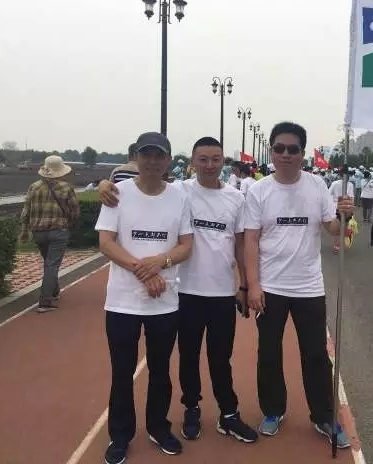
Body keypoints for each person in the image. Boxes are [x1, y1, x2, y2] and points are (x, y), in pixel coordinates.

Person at [98, 136, 258, 446]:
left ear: (223, 162)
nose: (209, 165)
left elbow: (238, 244)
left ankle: (227, 414)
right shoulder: (181, 191)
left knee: (219, 358)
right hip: (184, 292)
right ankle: (189, 409)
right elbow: (129, 202)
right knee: (185, 358)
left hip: (220, 292)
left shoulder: (233, 198)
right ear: (191, 162)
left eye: (215, 159)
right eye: (203, 159)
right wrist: (106, 184)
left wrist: (244, 284)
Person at [244, 121, 354, 449]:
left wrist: (345, 216)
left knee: (316, 355)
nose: (286, 154)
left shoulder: (317, 186)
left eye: (293, 149)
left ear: (302, 154)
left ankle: (323, 416)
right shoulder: (259, 191)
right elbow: (251, 240)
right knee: (269, 352)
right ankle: (273, 410)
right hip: (271, 287)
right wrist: (253, 285)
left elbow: (332, 229)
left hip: (308, 287)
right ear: (271, 151)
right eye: (279, 148)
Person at [95, 132, 194, 464]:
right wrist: (144, 270)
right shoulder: (116, 194)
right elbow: (106, 242)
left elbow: (185, 245)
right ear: (136, 157)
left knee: (160, 370)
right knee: (122, 372)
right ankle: (120, 435)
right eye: (146, 155)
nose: (152, 161)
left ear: (168, 160)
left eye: (159, 156)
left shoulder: (179, 197)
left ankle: (158, 427)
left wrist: (161, 263)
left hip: (164, 302)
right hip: (122, 302)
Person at [20, 155, 80, 313]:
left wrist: (24, 230)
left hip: (38, 232)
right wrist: (69, 223)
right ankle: (45, 301)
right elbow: (75, 211)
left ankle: (54, 291)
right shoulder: (66, 187)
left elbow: (26, 211)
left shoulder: (34, 187)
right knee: (52, 264)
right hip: (58, 231)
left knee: (49, 262)